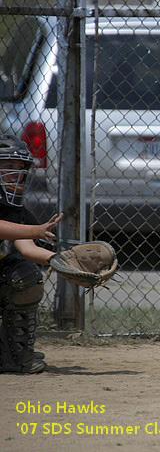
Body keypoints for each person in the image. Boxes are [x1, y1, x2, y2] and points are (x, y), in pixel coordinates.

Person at [0, 134, 63, 373]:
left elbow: (26, 247)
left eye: (19, 168)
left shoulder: (15, 208)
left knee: (25, 276)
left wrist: (58, 260)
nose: (16, 173)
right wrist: (36, 229)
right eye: (8, 167)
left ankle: (15, 356)